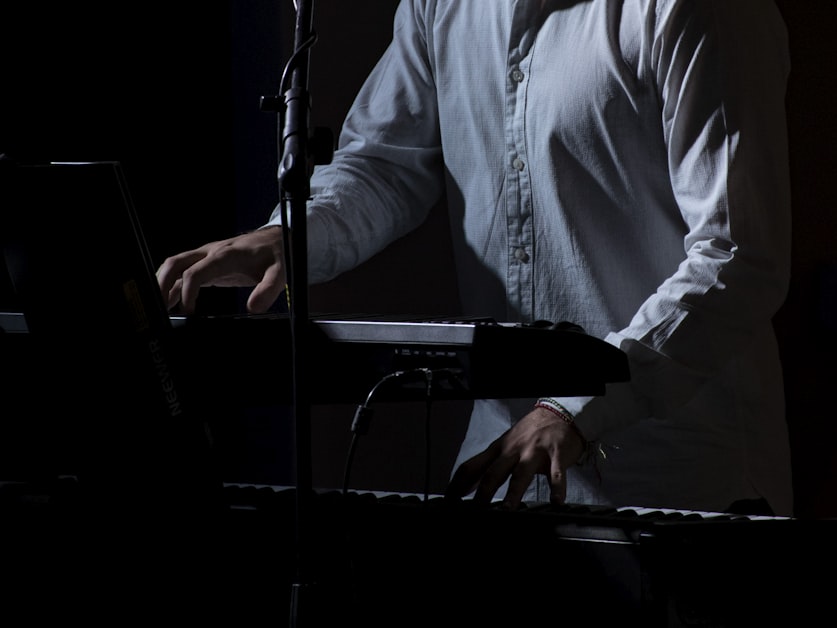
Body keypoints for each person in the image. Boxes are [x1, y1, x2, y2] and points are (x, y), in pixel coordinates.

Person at [157, 0, 794, 517]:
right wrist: (293, 236)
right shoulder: (442, 6)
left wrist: (575, 409)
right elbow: (382, 167)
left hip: (679, 485)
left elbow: (736, 258)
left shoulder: (698, 10)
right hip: (501, 469)